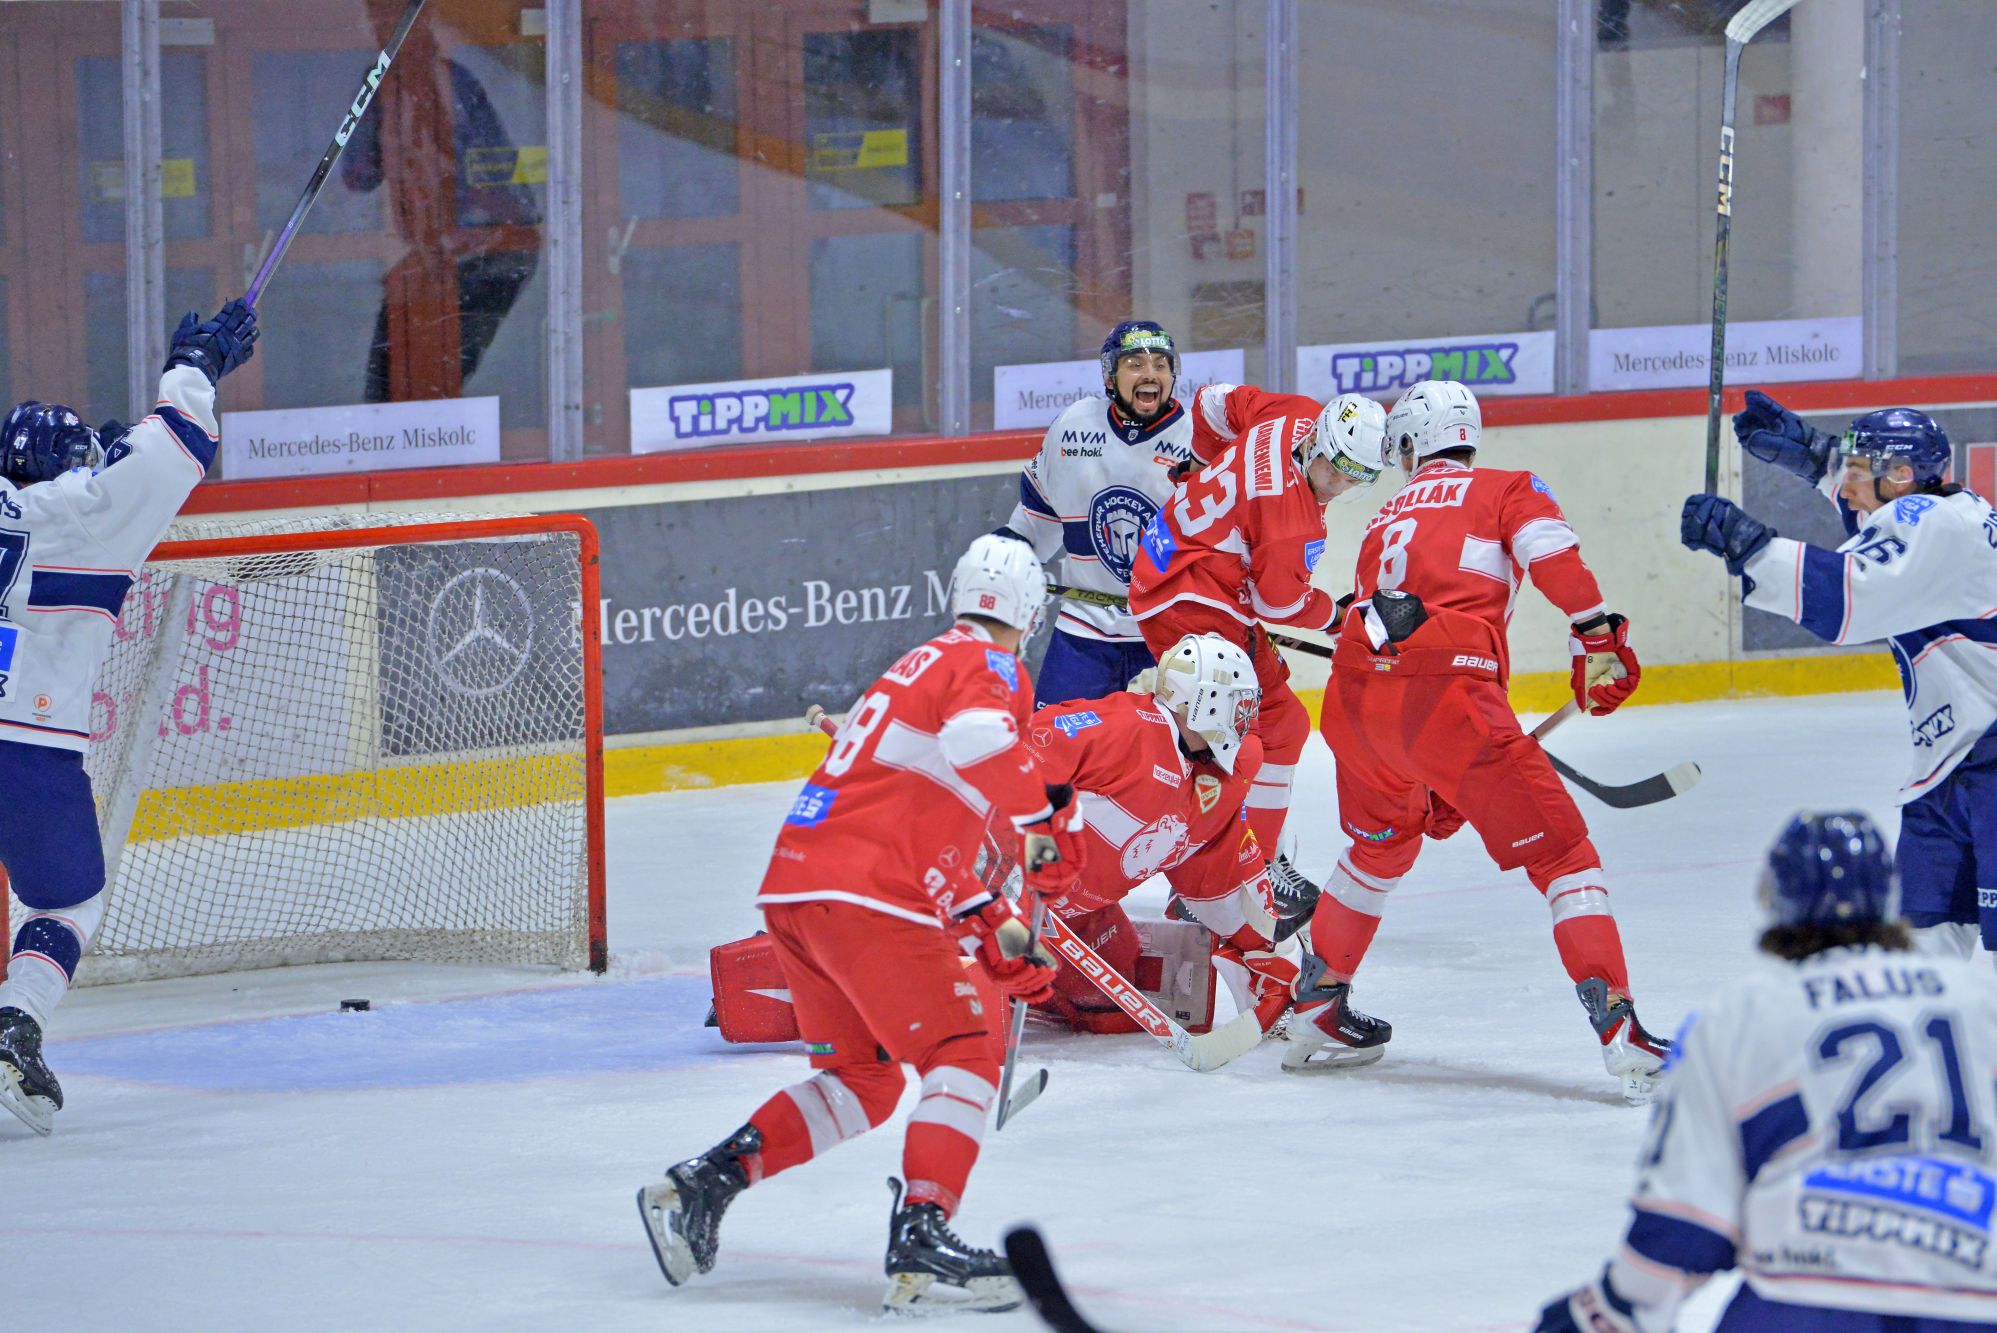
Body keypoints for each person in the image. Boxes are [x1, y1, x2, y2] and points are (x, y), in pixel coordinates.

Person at [635, 533, 1086, 1315]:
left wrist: (1008, 939)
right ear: (1029, 612)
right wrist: (1042, 825)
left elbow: (940, 855)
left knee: (866, 1080)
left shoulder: (916, 668)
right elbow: (978, 743)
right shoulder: (989, 665)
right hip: (866, 895)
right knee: (962, 1050)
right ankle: (922, 1228)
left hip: (800, 890)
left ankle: (701, 1185)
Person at [1289, 379, 1667, 1103]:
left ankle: (1317, 1006)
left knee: (1378, 849)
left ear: (1410, 443)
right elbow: (1551, 555)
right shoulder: (1505, 487)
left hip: (1355, 703)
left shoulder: (1383, 518)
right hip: (1448, 698)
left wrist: (1436, 779)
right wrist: (1596, 634)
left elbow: (1388, 632)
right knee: (1563, 858)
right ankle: (1621, 1030)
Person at [1536, 812, 1997, 1331]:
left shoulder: (1741, 1016)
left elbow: (1683, 1228)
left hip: (1804, 1305)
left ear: (1775, 899)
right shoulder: (1980, 1002)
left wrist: (1602, 1310)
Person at [0, 299, 259, 1136]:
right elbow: (176, 441)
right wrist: (196, 365)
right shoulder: (93, 511)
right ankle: (16, 1019)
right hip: (28, 749)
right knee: (66, 904)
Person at [1684, 392, 1997, 964]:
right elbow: (1876, 516)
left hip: (1989, 763)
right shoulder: (1940, 510)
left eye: (1855, 472)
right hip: (1951, 768)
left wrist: (1748, 547)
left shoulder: (1935, 522)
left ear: (1900, 476)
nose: (1845, 488)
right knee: (1917, 953)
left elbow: (1852, 598)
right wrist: (1814, 454)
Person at [1126, 381, 1388, 895]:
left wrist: (1203, 463)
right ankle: (1244, 877)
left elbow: (1211, 401)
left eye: (1352, 478)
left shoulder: (1293, 411)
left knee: (1256, 728)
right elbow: (1280, 604)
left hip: (1172, 565)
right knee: (1275, 727)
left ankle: (1227, 869)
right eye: (1333, 469)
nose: (1336, 486)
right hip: (1192, 601)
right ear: (1316, 442)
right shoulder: (1292, 521)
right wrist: (1340, 618)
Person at [1028, 632, 1298, 1034]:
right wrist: (1000, 862)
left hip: (1069, 915)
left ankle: (1024, 990)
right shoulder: (1120, 729)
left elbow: (1214, 877)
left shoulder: (1219, 776)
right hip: (982, 901)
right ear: (1205, 701)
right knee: (976, 1015)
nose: (1245, 717)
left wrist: (1263, 950)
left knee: (1112, 1005)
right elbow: (1009, 761)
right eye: (1237, 703)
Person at [997, 319, 1197, 706]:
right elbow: (1035, 524)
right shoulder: (1074, 427)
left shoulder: (1199, 444)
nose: (1150, 373)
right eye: (1135, 364)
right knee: (1052, 738)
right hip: (1086, 627)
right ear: (1110, 377)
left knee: (1179, 744)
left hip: (1173, 632)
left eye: (1160, 364)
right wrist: (1005, 561)